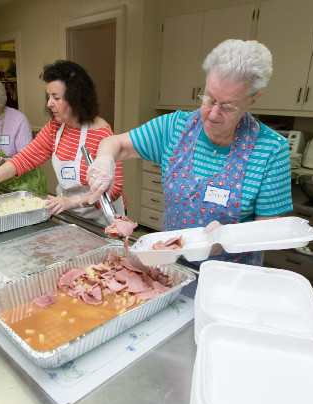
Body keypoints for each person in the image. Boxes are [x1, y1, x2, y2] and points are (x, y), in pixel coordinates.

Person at [88, 39, 292, 265]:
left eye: (228, 106)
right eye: (209, 99)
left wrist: (225, 239)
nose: (213, 114)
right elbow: (115, 143)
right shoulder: (175, 127)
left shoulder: (271, 149)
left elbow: (268, 234)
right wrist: (105, 160)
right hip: (172, 266)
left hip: (231, 277)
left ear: (252, 100)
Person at [0, 60, 126, 226]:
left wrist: (74, 201)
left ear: (76, 98)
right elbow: (24, 159)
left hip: (101, 219)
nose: (49, 103)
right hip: (69, 214)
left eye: (56, 97)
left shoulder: (102, 134)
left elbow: (114, 190)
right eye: (49, 96)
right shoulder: (54, 128)